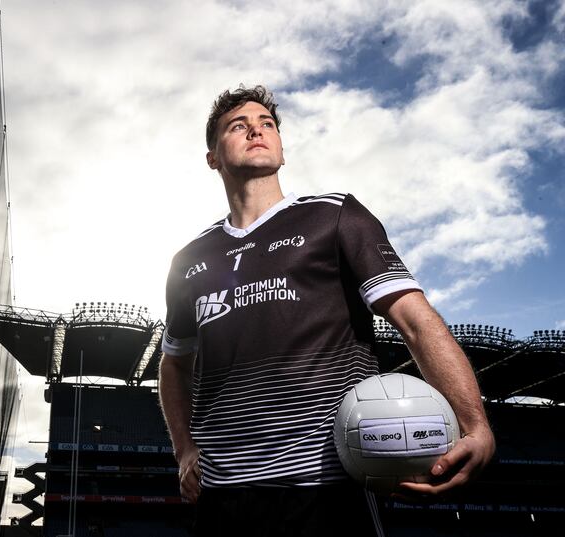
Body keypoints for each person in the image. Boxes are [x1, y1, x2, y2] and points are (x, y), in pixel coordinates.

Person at [158, 85, 495, 536]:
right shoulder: (189, 259)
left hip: (329, 487)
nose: (256, 130)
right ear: (213, 157)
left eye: (268, 125)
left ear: (281, 148)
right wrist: (184, 449)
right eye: (238, 126)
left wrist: (474, 423)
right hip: (223, 494)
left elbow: (416, 321)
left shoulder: (335, 216)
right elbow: (173, 364)